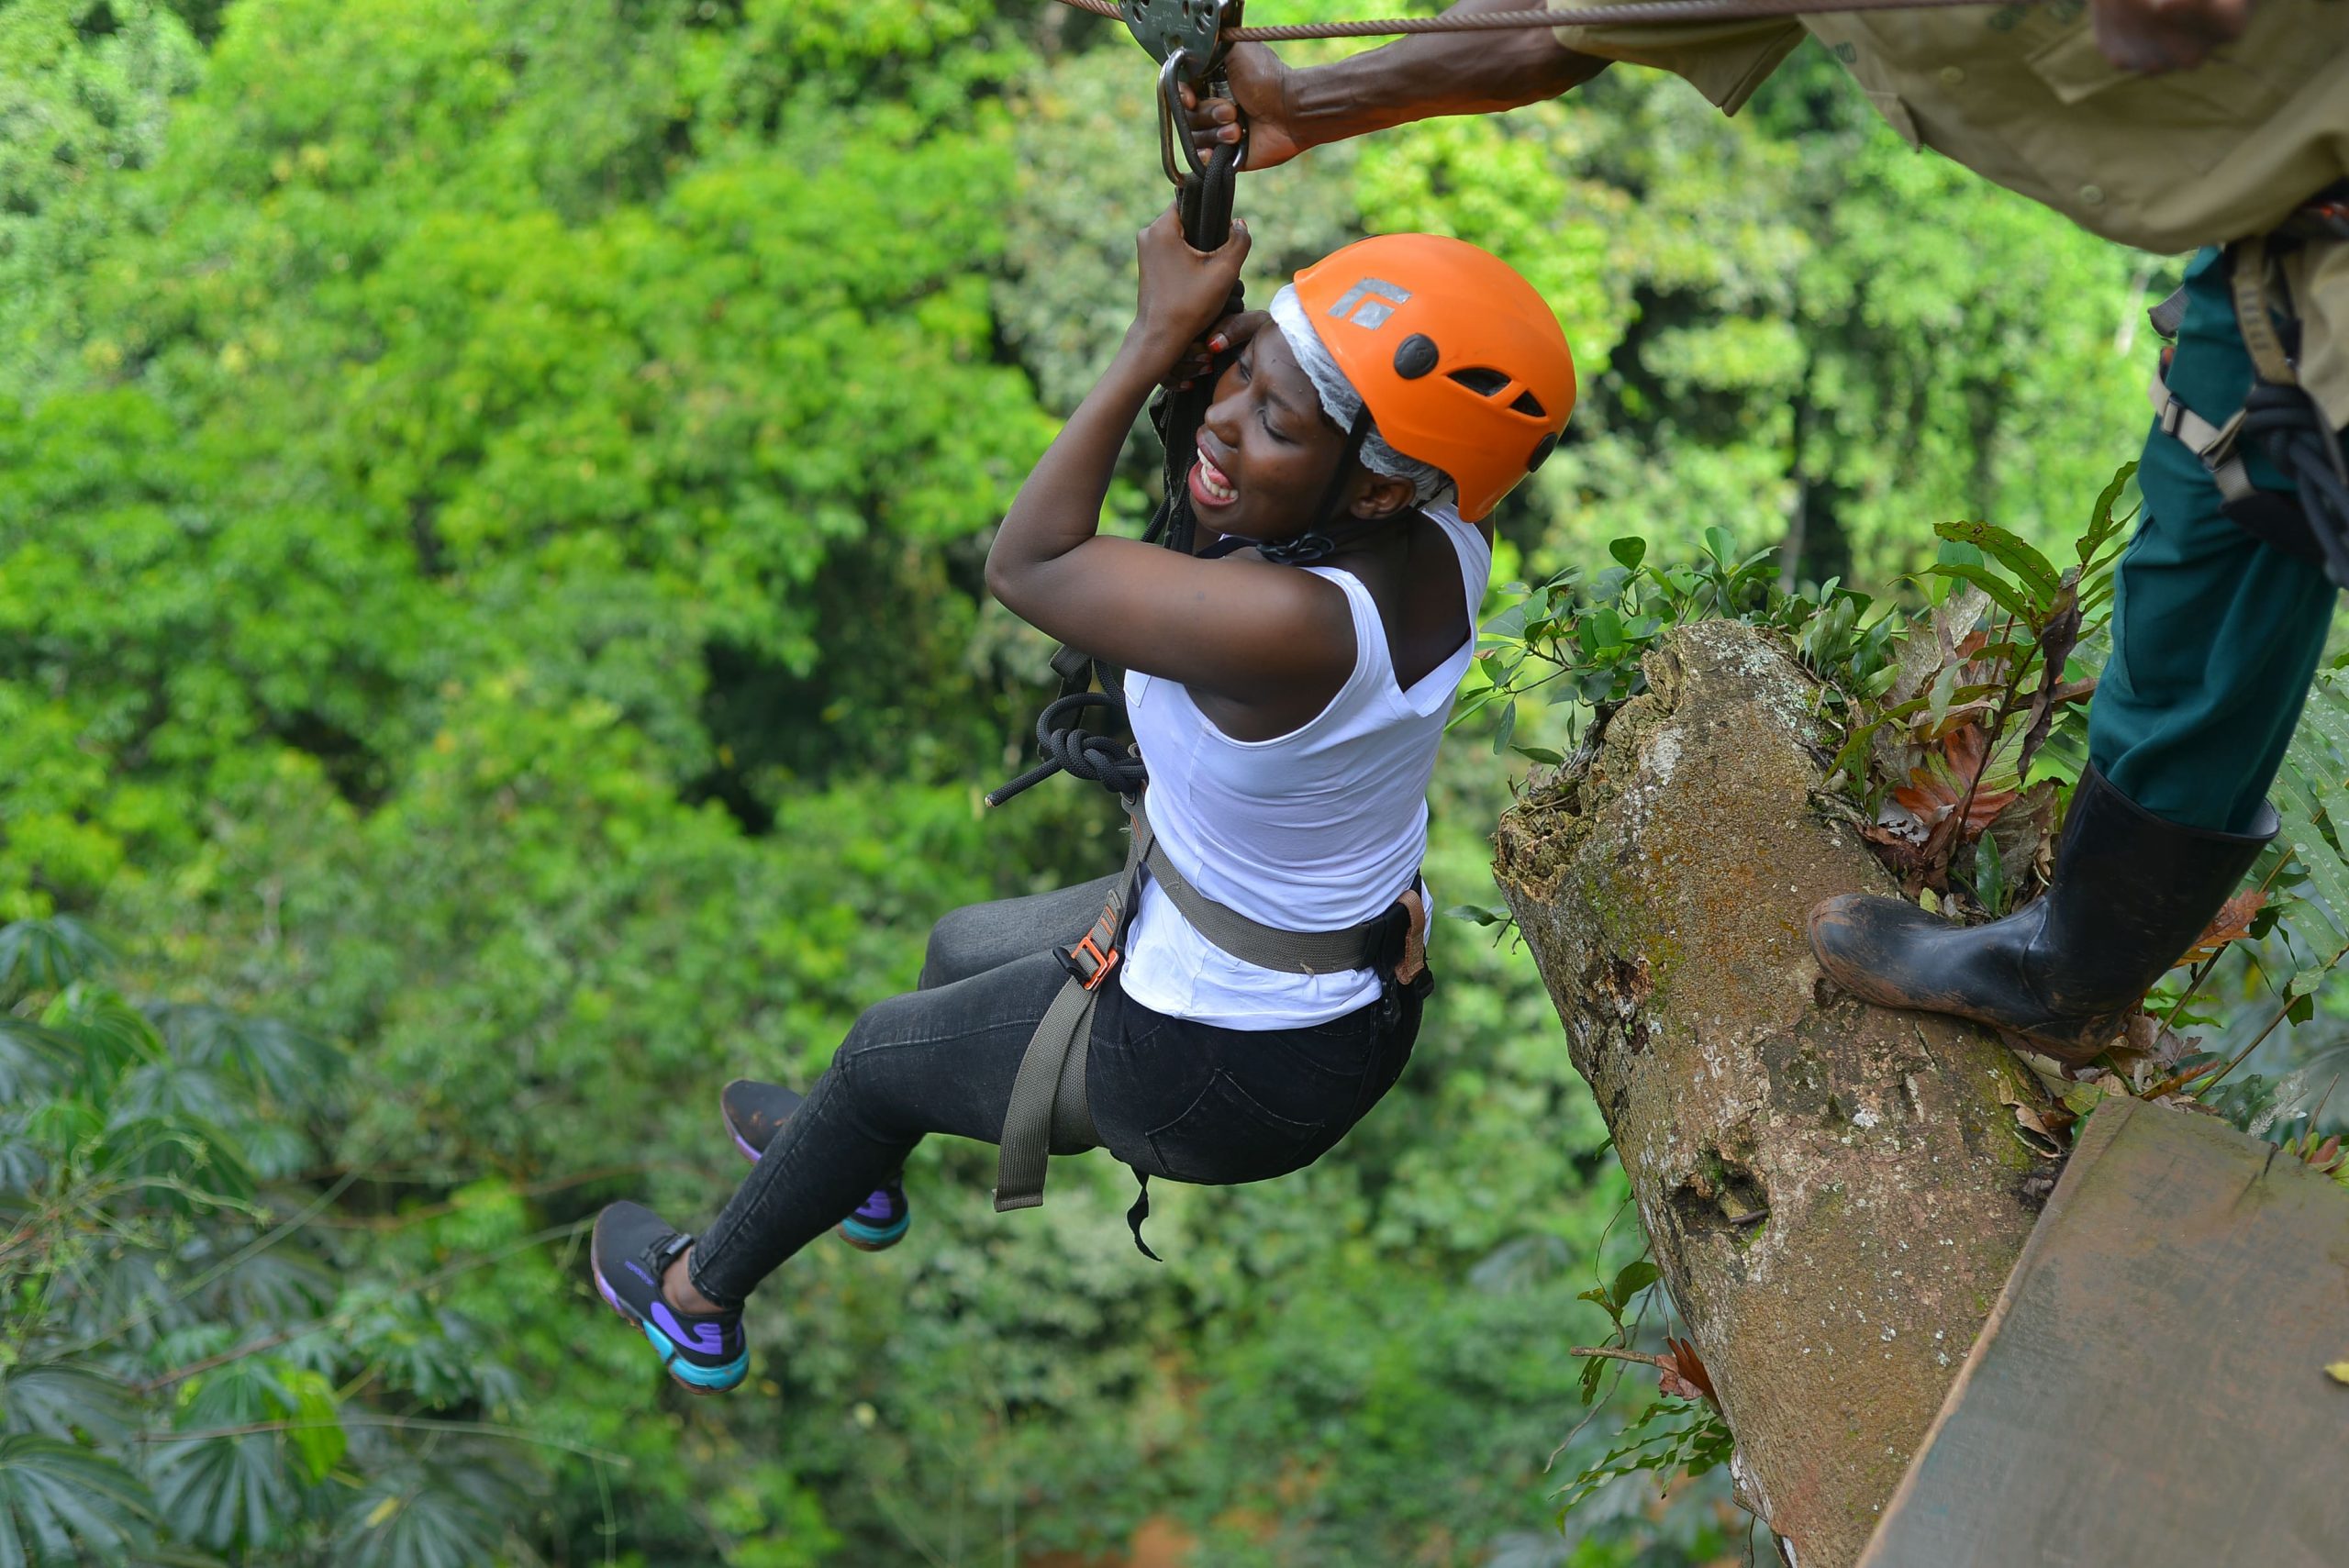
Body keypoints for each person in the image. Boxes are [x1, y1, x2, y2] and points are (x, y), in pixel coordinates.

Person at [1181, 0, 2348, 1062]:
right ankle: (2070, 974)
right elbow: (1571, 23)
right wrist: (1313, 99)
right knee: (2214, 516)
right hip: (2282, 232)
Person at [587, 207, 1577, 1390]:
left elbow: (1033, 565)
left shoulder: (1293, 627)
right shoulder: (1444, 534)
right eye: (1242, 371)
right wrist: (1236, 337)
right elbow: (1347, 440)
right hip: (1327, 982)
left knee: (874, 1059)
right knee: (957, 948)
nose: (1223, 419)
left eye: (1273, 419)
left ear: (1376, 487)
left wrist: (1153, 336)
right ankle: (846, 1160)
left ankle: (698, 1296)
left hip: (1218, 1064)